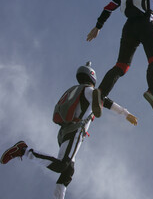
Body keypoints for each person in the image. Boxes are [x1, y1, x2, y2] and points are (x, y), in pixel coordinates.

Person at [0, 62, 138, 199]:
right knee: (62, 165)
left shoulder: (75, 90)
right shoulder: (89, 91)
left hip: (65, 131)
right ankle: (24, 150)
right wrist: (125, 113)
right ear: (92, 79)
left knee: (68, 170)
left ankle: (58, 196)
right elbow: (107, 102)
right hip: (76, 132)